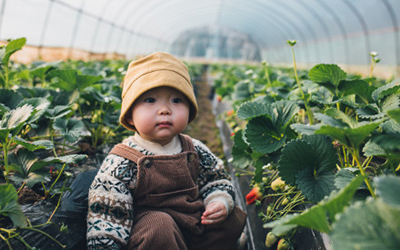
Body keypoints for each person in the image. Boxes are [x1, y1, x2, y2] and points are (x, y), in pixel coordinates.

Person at [86, 52, 247, 250]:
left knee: (232, 216)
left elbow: (216, 179)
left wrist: (218, 201)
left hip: (194, 225)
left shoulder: (195, 149)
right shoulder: (122, 161)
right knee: (159, 226)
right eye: (151, 100)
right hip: (154, 238)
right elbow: (106, 218)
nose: (165, 110)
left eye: (176, 101)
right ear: (129, 116)